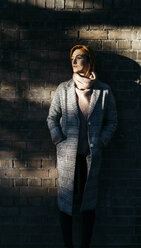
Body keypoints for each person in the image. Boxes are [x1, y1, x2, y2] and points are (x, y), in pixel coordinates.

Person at [46, 45, 117, 248]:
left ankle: (85, 245)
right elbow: (52, 117)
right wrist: (58, 138)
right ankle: (68, 245)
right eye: (72, 58)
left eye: (79, 57)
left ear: (89, 61)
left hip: (91, 156)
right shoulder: (63, 89)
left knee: (89, 204)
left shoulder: (103, 91)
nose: (75, 61)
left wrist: (102, 141)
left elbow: (112, 121)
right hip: (68, 156)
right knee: (66, 203)